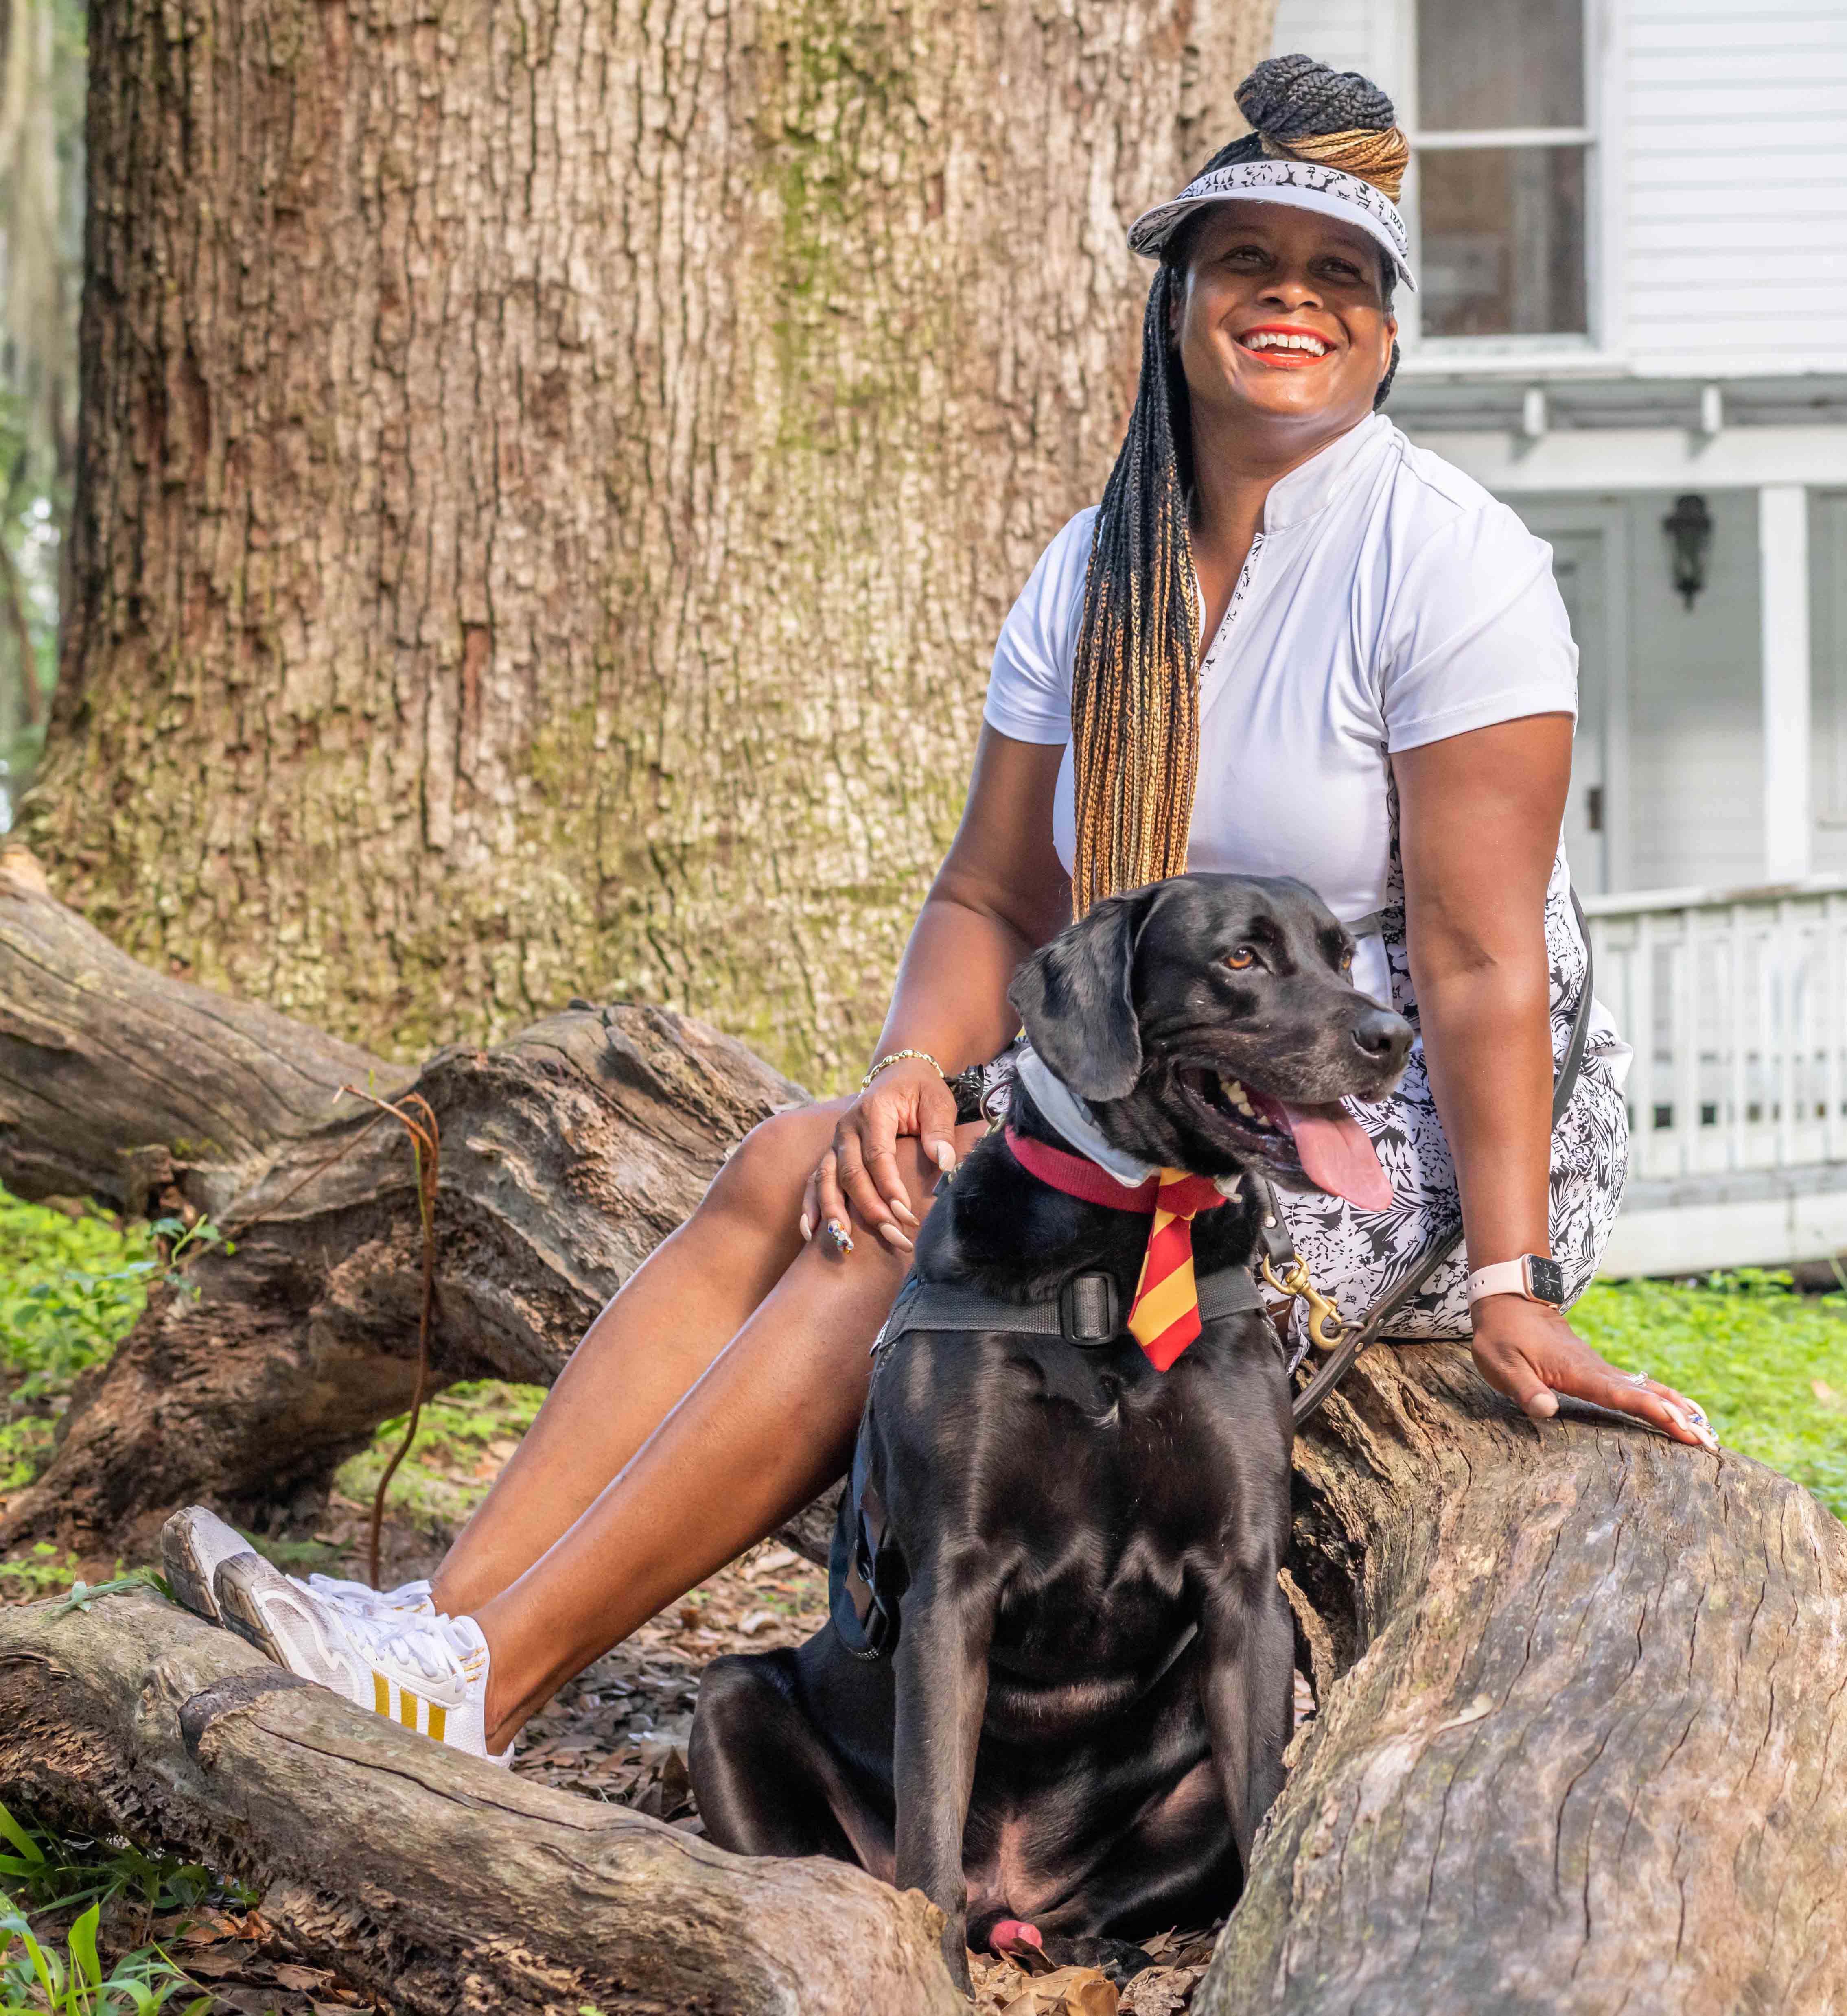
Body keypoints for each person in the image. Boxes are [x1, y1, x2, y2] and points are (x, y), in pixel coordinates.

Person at [162, 55, 1710, 1763]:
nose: (1293, 300)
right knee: (802, 1161)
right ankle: (437, 1629)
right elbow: (995, 888)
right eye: (1248, 263)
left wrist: (1514, 1277)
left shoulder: (1450, 562)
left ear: (1389, 332)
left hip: (1398, 1115)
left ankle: (488, 1683)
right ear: (1177, 301)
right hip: (1176, 1053)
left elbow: (1486, 962)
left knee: (932, 1228)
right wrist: (910, 1065)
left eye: (1340, 272)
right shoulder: (1099, 567)